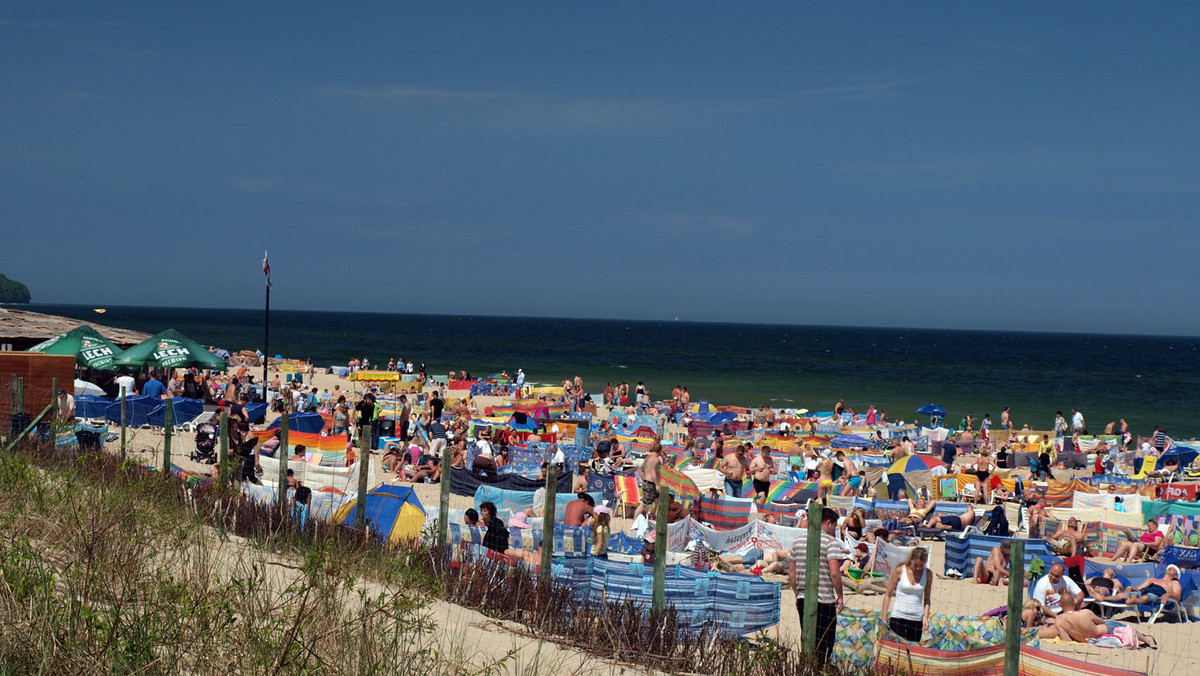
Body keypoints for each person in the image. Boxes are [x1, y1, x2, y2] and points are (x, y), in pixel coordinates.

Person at [787, 507, 844, 662]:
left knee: (807, 637)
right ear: (827, 523)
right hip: (824, 599)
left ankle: (805, 667)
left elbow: (791, 572)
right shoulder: (830, 542)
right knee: (825, 641)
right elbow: (834, 572)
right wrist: (840, 595)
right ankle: (819, 669)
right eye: (834, 525)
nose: (834, 529)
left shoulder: (798, 541)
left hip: (802, 596)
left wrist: (796, 592)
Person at [881, 547, 932, 642]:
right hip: (898, 616)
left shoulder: (928, 574)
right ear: (911, 560)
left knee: (912, 650)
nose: (918, 568)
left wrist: (925, 617)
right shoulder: (900, 570)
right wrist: (884, 618)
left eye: (921, 565)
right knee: (897, 649)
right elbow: (888, 594)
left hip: (916, 618)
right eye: (916, 565)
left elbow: (927, 598)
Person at [1116, 565, 1183, 606]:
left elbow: (1178, 596)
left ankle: (1134, 600)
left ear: (1176, 576)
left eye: (1174, 568)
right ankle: (1106, 598)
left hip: (1156, 594)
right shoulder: (1153, 579)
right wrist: (1130, 588)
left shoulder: (1175, 583)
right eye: (1169, 567)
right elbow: (1138, 588)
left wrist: (1168, 595)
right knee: (1121, 595)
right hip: (1142, 592)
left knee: (1146, 597)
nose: (1171, 567)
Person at [633, 440, 662, 520]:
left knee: (659, 500)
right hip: (651, 484)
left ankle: (654, 516)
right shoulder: (655, 460)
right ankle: (635, 522)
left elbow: (641, 470)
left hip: (646, 482)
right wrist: (656, 484)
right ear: (660, 451)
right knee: (643, 504)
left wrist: (644, 479)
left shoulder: (648, 457)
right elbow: (653, 471)